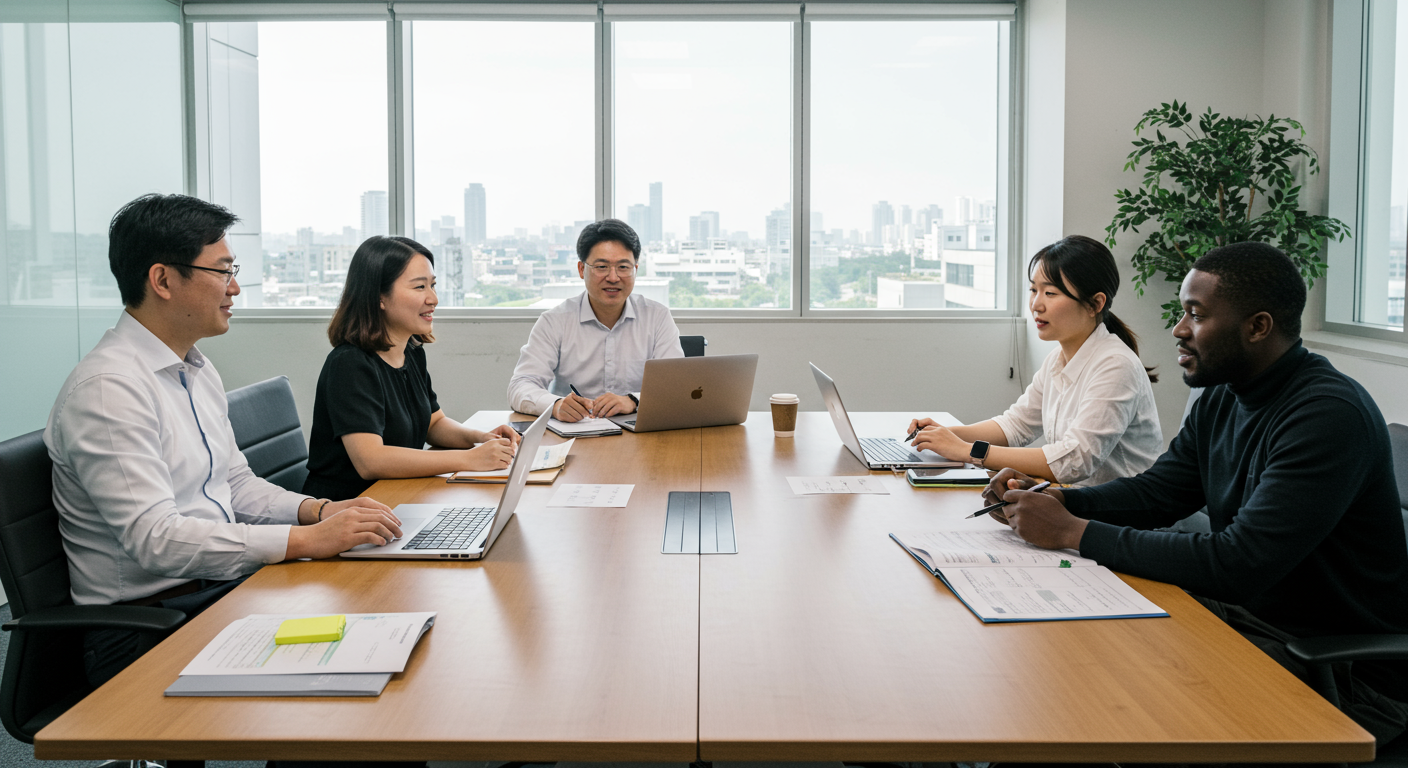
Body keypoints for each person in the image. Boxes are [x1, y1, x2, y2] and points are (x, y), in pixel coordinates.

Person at [986, 242, 1408, 745]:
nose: (1178, 330)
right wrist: (1062, 501)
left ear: (1258, 327)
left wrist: (1074, 532)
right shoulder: (1223, 394)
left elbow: (1238, 562)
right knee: (1072, 661)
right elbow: (1160, 493)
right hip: (1253, 624)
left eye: (1195, 314)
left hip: (1340, 675)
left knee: (1115, 701)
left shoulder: (1325, 416)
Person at [45, 193, 405, 689]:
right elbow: (156, 539)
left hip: (214, 588)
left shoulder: (194, 368)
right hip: (144, 625)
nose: (235, 288)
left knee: (376, 613)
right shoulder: (109, 390)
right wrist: (303, 541)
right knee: (342, 669)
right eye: (223, 271)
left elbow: (234, 484)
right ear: (163, 280)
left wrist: (321, 512)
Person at [907, 235, 1162, 486]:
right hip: (1082, 505)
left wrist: (967, 451)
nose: (1036, 305)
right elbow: (1016, 426)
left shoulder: (1116, 365)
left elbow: (1075, 460)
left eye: (1050, 293)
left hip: (1126, 518)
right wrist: (944, 434)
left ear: (1095, 304)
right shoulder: (1057, 360)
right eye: (1033, 290)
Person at [303, 236, 521, 502]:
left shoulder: (412, 351)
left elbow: (434, 423)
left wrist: (479, 439)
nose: (433, 299)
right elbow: (371, 460)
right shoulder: (350, 364)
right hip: (348, 512)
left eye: (432, 285)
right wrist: (467, 459)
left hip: (399, 498)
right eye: (420, 287)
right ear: (379, 297)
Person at [507, 218, 684, 422]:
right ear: (582, 270)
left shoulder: (657, 317)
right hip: (574, 434)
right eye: (602, 267)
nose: (613, 277)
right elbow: (521, 385)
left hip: (640, 435)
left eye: (623, 267)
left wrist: (634, 400)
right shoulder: (554, 321)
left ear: (635, 269)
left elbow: (676, 387)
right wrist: (556, 405)